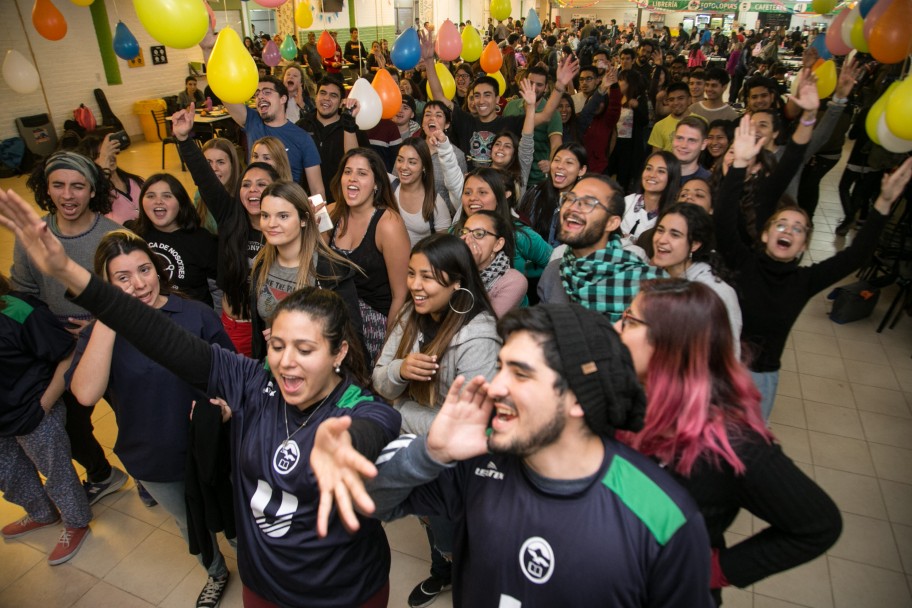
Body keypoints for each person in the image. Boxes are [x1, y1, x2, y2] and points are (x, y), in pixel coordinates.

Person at [0, 189, 402, 608]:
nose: (286, 364)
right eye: (278, 345)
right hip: (264, 588)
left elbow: (377, 431)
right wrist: (69, 272)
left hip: (348, 590)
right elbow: (161, 337)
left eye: (305, 349)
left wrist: (348, 447)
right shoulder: (251, 380)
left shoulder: (362, 407)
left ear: (339, 353)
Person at [310, 304, 715, 608]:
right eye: (501, 367)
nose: (494, 385)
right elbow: (371, 504)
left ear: (578, 398)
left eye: (520, 374)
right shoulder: (478, 458)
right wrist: (429, 451)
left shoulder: (663, 517)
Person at [615, 278, 841, 605]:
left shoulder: (732, 444)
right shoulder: (625, 400)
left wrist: (713, 570)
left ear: (671, 344)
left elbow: (819, 524)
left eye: (629, 320)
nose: (616, 326)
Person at [67, 230, 235, 607]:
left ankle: (256, 564)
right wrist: (111, 316)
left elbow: (230, 372)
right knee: (189, 524)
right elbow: (84, 393)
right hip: (154, 456)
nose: (139, 284)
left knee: (235, 515)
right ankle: (216, 572)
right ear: (106, 285)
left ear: (158, 269)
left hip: (214, 445)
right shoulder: (100, 333)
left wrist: (225, 407)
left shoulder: (194, 313)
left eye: (144, 270)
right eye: (122, 278)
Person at [714, 116, 912, 418]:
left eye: (798, 229)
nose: (788, 231)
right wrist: (738, 164)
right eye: (781, 224)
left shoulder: (804, 280)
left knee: (745, 454)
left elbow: (855, 255)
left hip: (760, 379)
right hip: (719, 366)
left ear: (804, 245)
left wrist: (883, 206)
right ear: (766, 234)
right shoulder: (741, 261)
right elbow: (724, 218)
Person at [373, 233, 501, 607]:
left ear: (457, 282)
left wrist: (396, 413)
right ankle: (441, 570)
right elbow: (380, 379)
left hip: (457, 467)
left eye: (427, 277)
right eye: (411, 274)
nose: (414, 285)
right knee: (428, 519)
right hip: (417, 448)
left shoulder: (479, 337)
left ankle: (461, 576)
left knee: (455, 534)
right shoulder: (413, 314)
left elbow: (466, 429)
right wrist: (400, 369)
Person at [16, 151, 128, 506]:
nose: (68, 195)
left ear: (93, 189)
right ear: (46, 189)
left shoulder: (112, 235)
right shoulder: (31, 235)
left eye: (77, 186)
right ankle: (102, 474)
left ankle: (146, 476)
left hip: (112, 336)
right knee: (71, 425)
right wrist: (53, 335)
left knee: (131, 416)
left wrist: (97, 326)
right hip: (58, 344)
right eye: (59, 185)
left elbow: (130, 296)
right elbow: (24, 294)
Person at [0, 271, 92, 567]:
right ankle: (42, 513)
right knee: (10, 475)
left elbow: (68, 352)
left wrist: (45, 403)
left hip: (33, 411)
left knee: (56, 473)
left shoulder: (20, 311)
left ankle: (76, 522)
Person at [172, 108, 278, 357]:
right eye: (246, 184)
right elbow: (205, 178)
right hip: (238, 325)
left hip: (274, 327)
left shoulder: (284, 224)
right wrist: (184, 140)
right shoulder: (230, 215)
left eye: (262, 185)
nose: (253, 190)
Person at [421, 31, 578, 170]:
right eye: (477, 95)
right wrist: (429, 61)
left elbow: (545, 116)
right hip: (470, 189)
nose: (481, 100)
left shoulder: (509, 124)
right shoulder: (465, 120)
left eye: (487, 95)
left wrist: (559, 86)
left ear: (497, 99)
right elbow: (439, 97)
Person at [250, 181, 362, 361]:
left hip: (318, 380)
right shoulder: (261, 265)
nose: (271, 224)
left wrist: (290, 339)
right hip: (274, 374)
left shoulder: (330, 271)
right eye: (265, 215)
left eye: (283, 216)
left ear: (303, 219)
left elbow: (353, 340)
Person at [538, 174, 663, 317]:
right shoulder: (554, 271)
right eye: (570, 199)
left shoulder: (641, 281)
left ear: (611, 223)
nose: (572, 208)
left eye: (588, 203)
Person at [329, 148, 411, 364]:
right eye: (347, 172)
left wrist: (387, 349)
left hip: (372, 325)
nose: (352, 179)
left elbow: (400, 295)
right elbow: (315, 263)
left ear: (376, 183)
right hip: (333, 317)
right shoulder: (331, 213)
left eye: (362, 173)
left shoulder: (388, 224)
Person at [650, 203, 741, 354]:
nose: (662, 239)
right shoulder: (659, 278)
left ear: (695, 244)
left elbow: (728, 354)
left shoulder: (714, 291)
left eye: (675, 234)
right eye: (660, 230)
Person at [219, 74, 324, 196]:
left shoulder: (302, 138)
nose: (260, 97)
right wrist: (208, 54)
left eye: (267, 92)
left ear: (282, 99)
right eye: (257, 94)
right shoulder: (253, 121)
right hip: (253, 200)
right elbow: (223, 90)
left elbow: (317, 190)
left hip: (285, 204)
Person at [130, 173, 218, 307]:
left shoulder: (202, 239)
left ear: (181, 203)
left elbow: (218, 289)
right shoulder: (132, 235)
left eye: (167, 196)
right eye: (151, 196)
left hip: (191, 321)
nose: (158, 201)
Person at [456, 168, 553, 285]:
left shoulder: (519, 235)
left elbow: (555, 262)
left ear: (498, 197)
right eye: (467, 192)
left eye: (482, 192)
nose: (472, 198)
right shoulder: (455, 232)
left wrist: (525, 273)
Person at [297, 75, 366, 202]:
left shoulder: (352, 129)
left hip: (342, 202)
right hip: (306, 201)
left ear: (341, 103)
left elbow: (356, 161)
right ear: (316, 97)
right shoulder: (301, 126)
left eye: (333, 95)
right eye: (323, 93)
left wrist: (349, 123)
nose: (327, 98)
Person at [503, 66, 564, 187]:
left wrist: (552, 162)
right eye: (530, 83)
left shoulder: (553, 113)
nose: (534, 88)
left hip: (537, 180)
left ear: (546, 88)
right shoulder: (511, 106)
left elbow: (556, 144)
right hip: (509, 175)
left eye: (539, 85)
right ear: (523, 83)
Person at [518, 143, 589, 245]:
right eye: (556, 160)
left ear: (581, 170)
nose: (560, 166)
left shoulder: (586, 205)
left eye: (569, 163)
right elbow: (522, 235)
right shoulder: (536, 194)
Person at [459, 210, 526, 316]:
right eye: (465, 232)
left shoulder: (514, 281)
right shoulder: (454, 267)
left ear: (498, 244)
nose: (467, 239)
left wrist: (470, 269)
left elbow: (484, 325)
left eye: (479, 234)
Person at [392, 137, 453, 247]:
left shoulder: (436, 204)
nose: (403, 167)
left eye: (412, 162)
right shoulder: (390, 186)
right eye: (400, 160)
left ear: (424, 166)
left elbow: (443, 250)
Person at [77, 133, 144, 226]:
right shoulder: (95, 195)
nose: (109, 157)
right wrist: (103, 168)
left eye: (110, 152)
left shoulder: (137, 182)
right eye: (99, 156)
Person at [620, 150, 681, 244]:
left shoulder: (673, 214)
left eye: (661, 171)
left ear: (671, 177)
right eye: (648, 168)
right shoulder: (627, 201)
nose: (652, 175)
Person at [419, 101, 467, 217]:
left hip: (442, 218)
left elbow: (459, 194)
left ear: (447, 125)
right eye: (428, 114)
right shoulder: (410, 149)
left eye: (438, 115)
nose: (432, 118)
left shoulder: (457, 155)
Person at [194, 138, 240, 235]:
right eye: (208, 162)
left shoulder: (243, 197)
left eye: (220, 162)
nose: (214, 168)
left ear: (233, 165)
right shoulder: (199, 195)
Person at [648, 81, 691, 152]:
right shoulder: (659, 126)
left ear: (689, 100)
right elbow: (656, 156)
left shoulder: (700, 122)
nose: (676, 103)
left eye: (680, 98)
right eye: (671, 99)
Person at [671, 116, 712, 184]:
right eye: (679, 138)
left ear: (703, 144)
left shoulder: (708, 181)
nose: (683, 145)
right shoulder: (657, 175)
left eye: (692, 140)